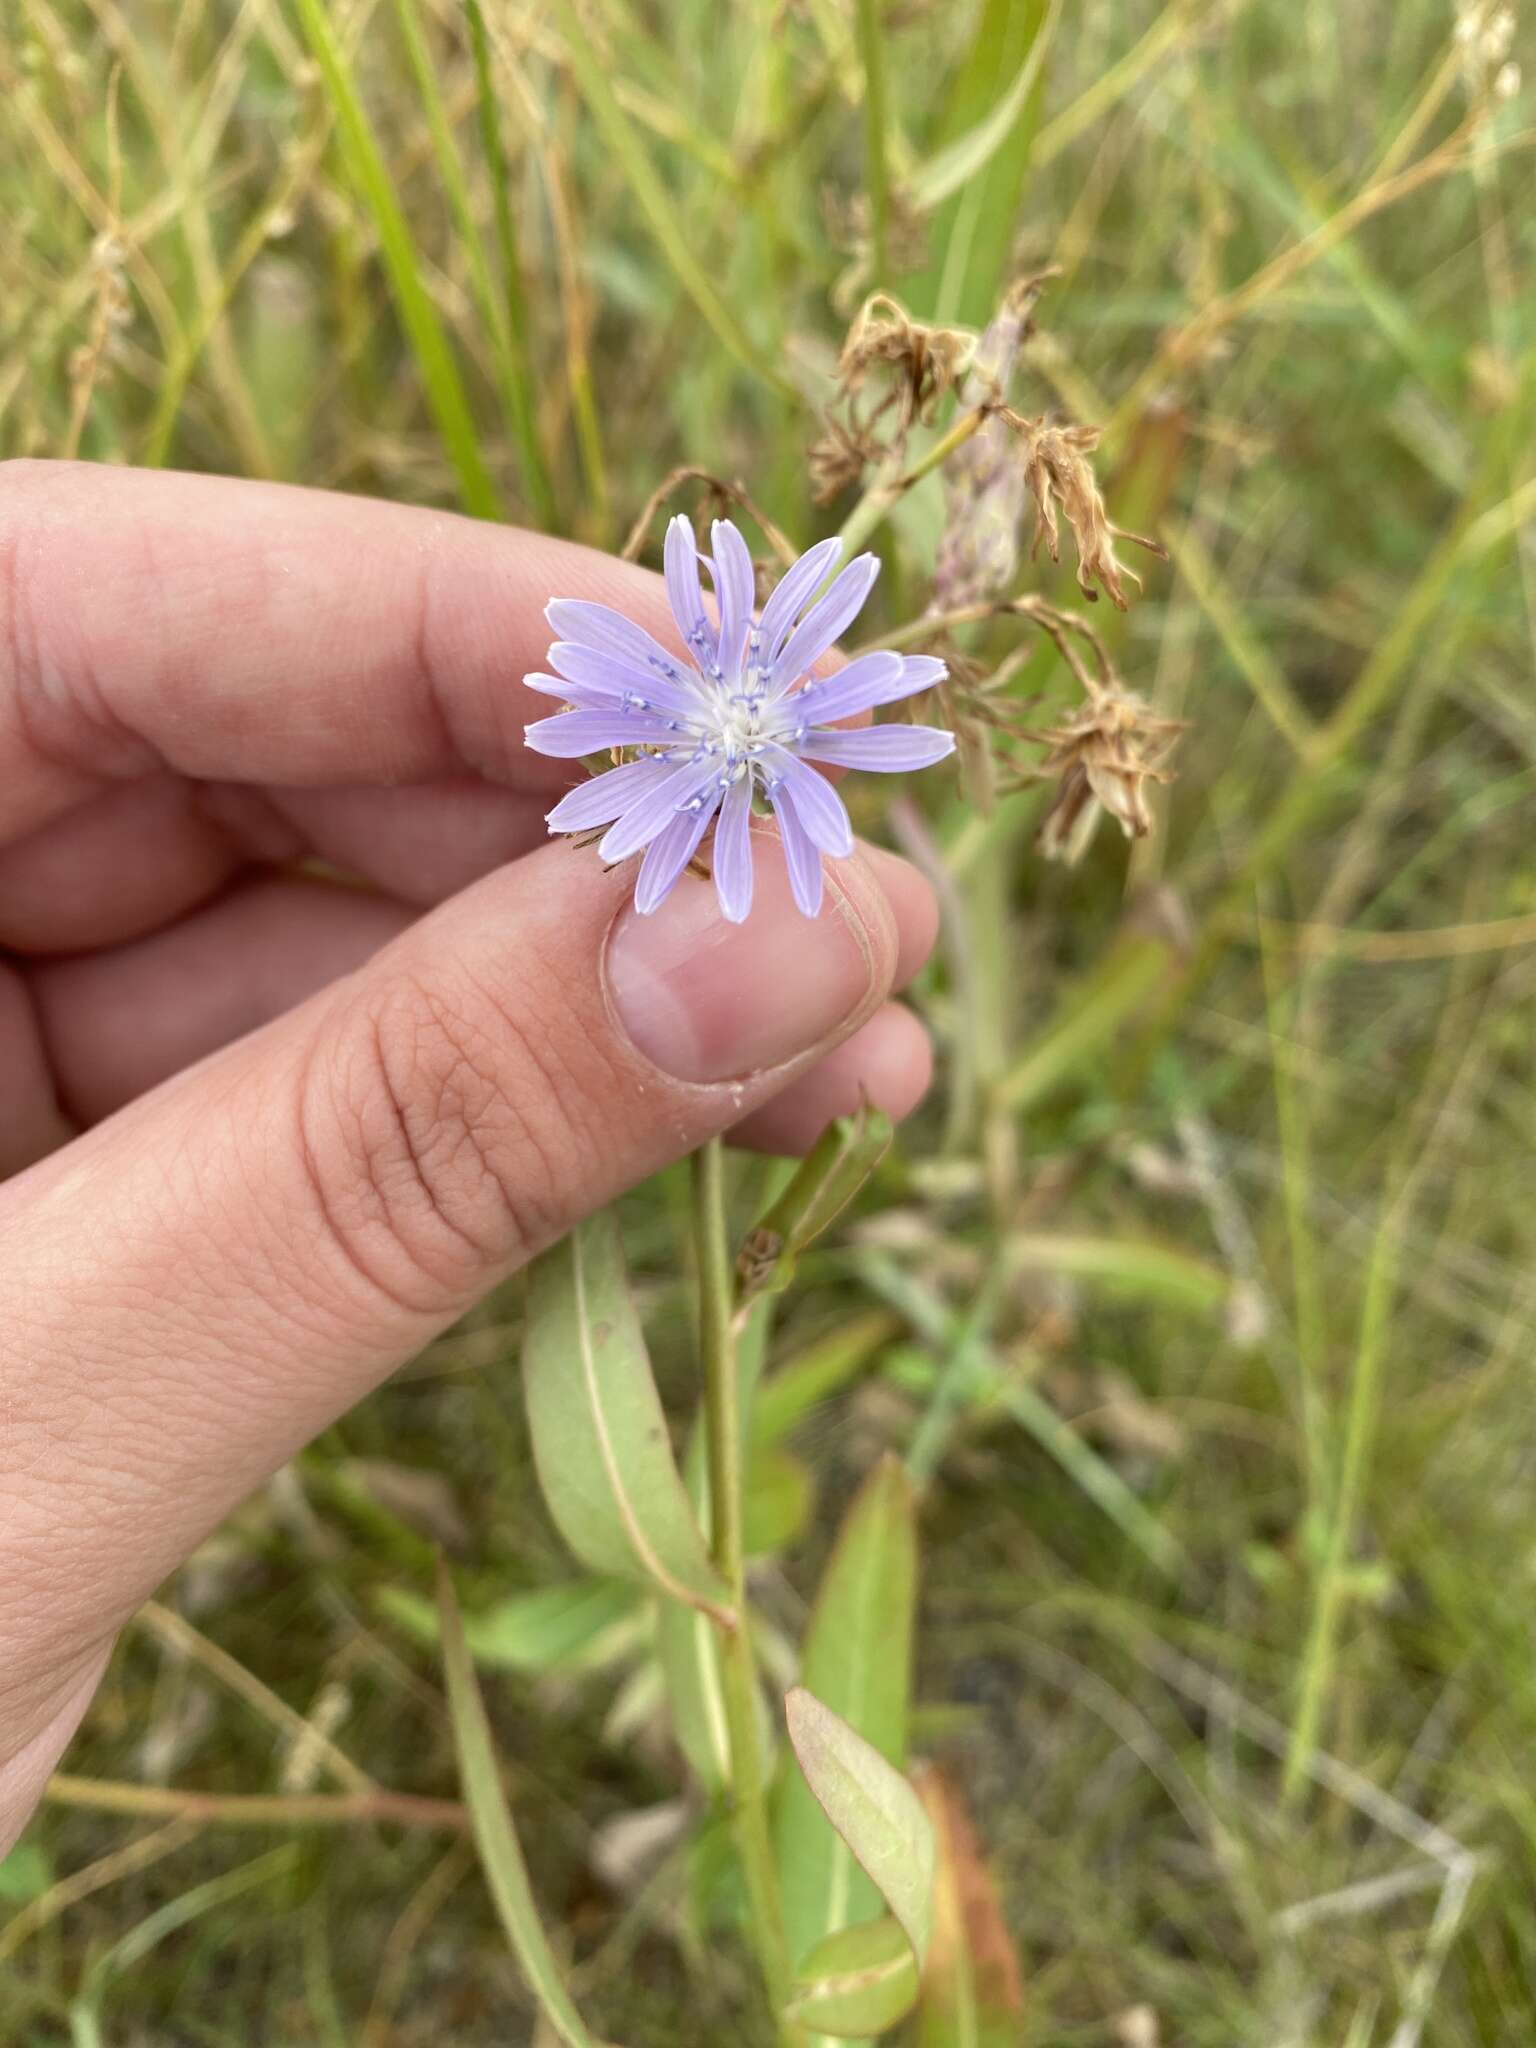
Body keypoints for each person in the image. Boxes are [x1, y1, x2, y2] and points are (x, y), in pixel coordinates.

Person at [0, 462, 940, 1853]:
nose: (748, 719)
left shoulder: (793, 772)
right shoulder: (667, 777)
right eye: (735, 699)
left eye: (767, 704)